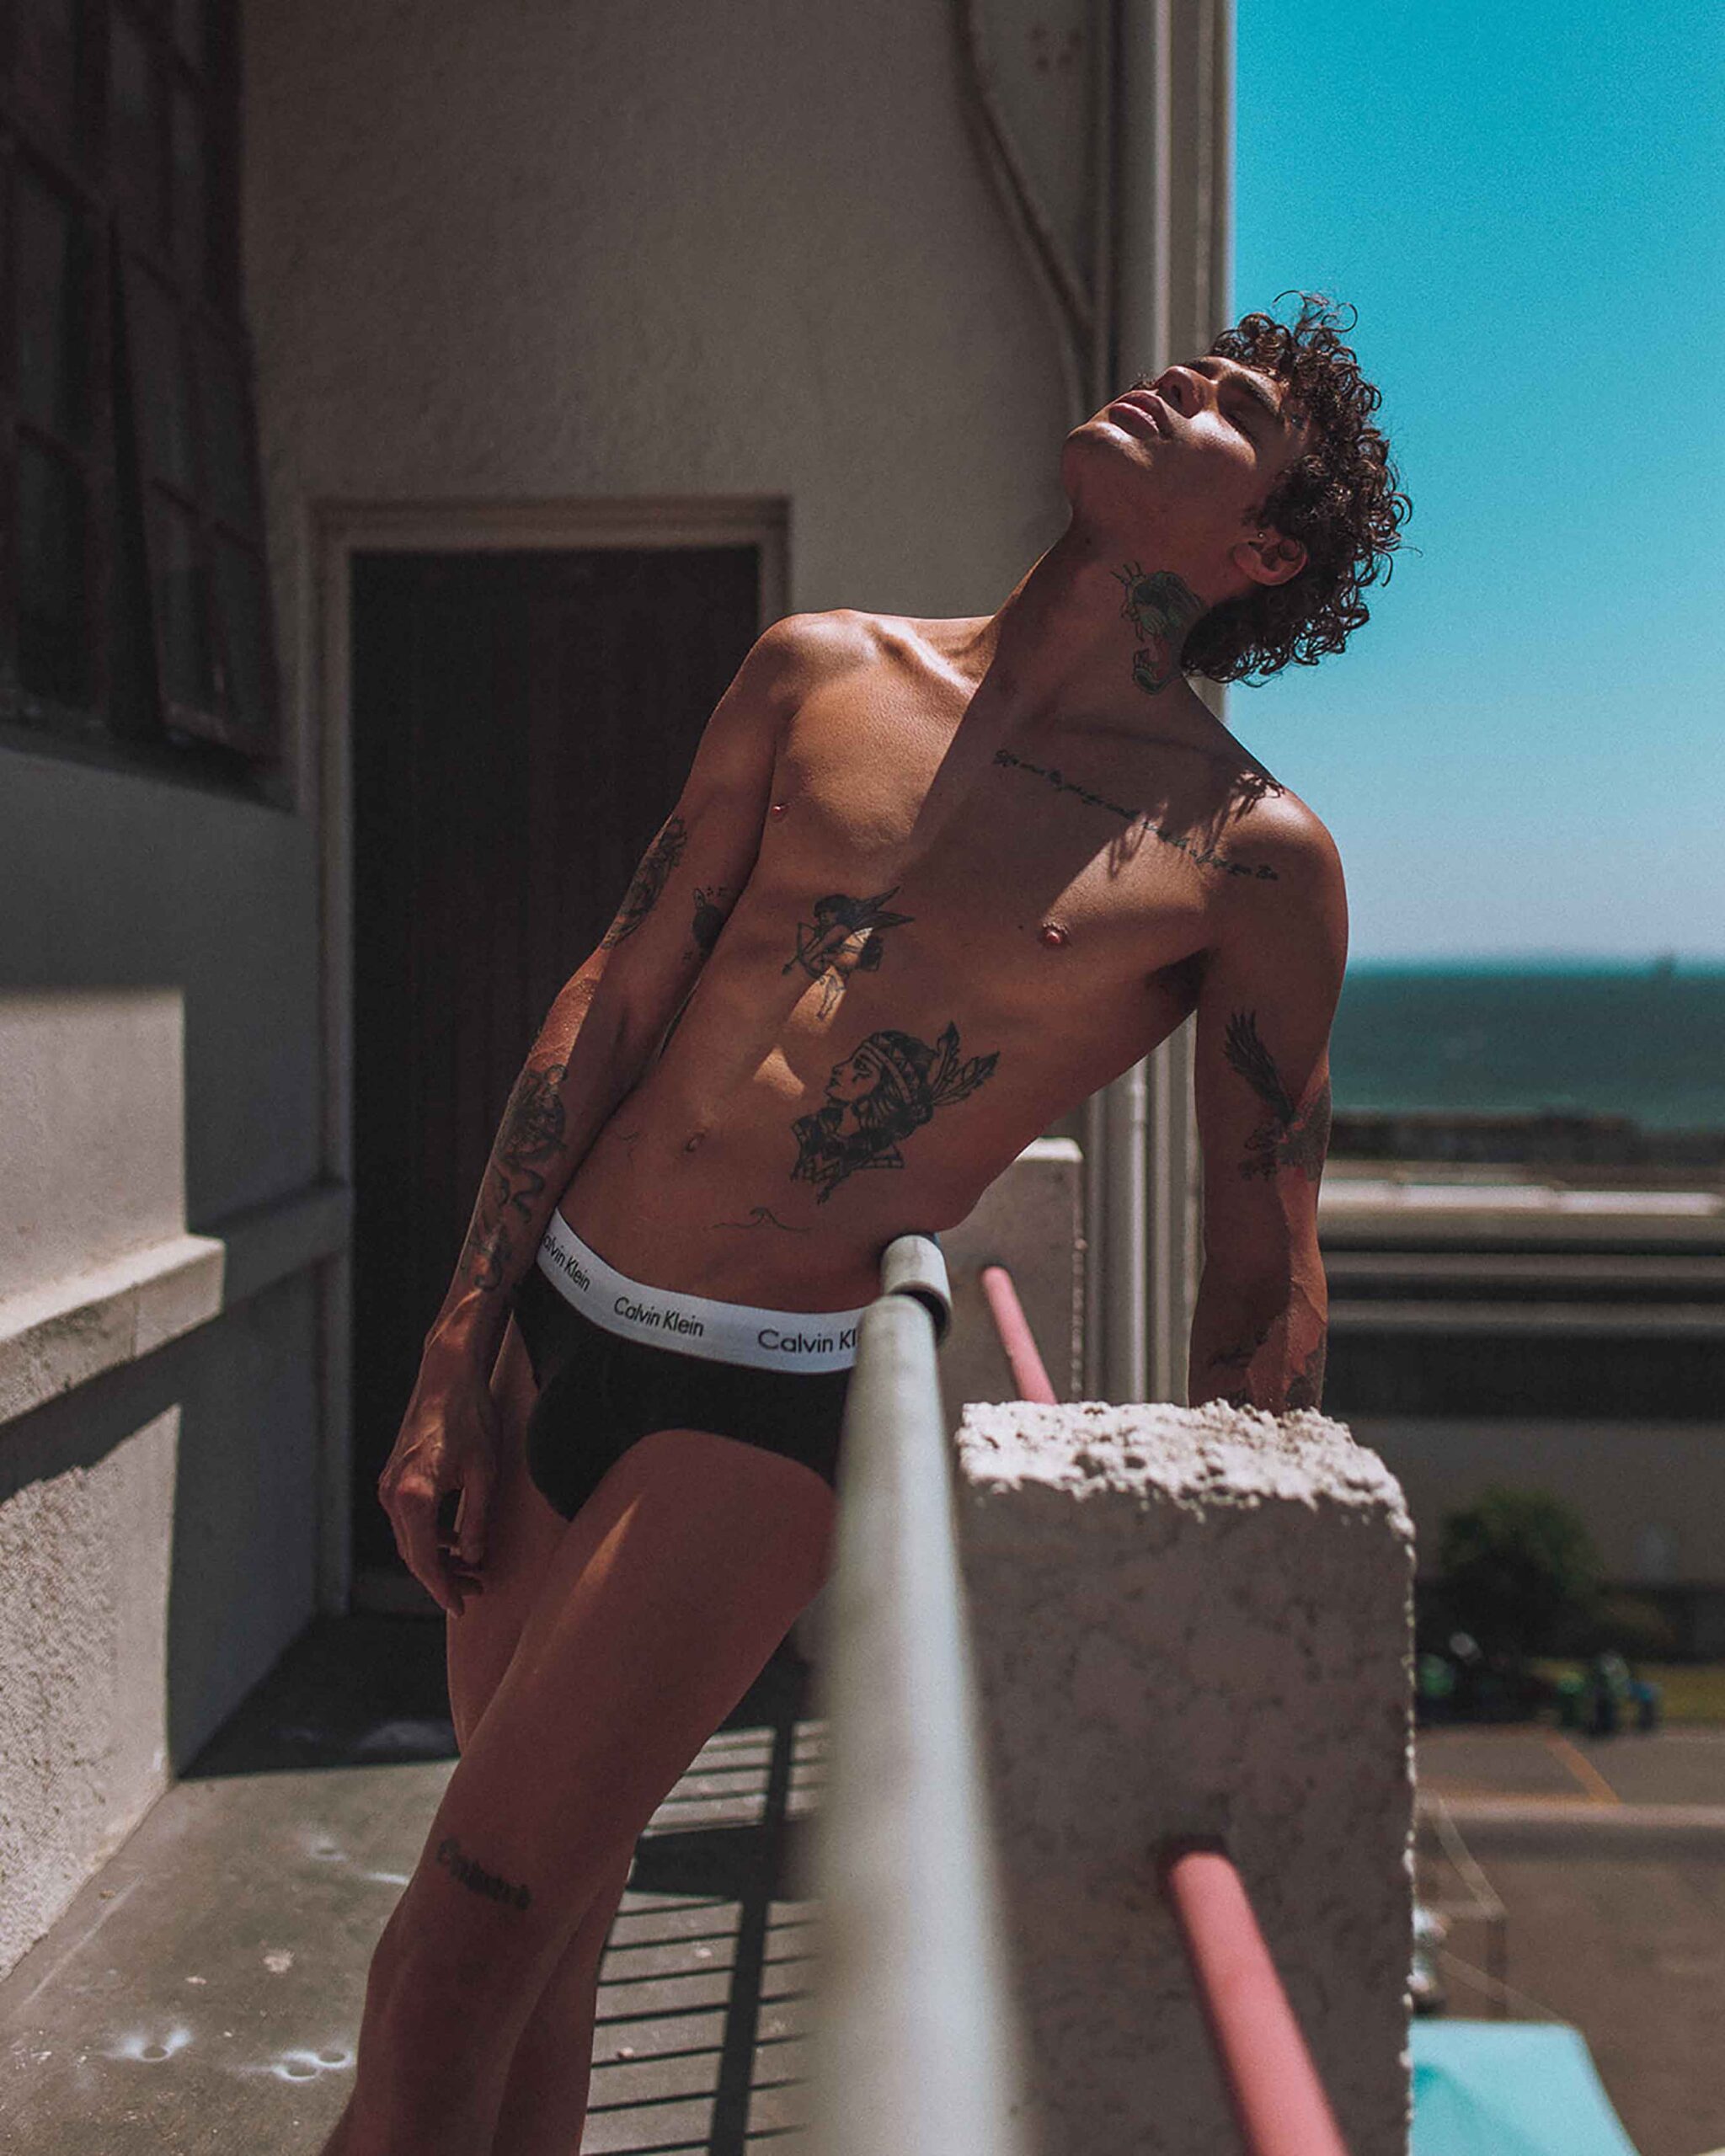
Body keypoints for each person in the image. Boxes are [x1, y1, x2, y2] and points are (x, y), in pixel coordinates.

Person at [322, 291, 1408, 2154]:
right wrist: (454, 1347)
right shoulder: (820, 671)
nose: (1186, 380)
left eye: (1240, 408)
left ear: (1262, 554)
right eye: (1201, 363)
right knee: (545, 1948)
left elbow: (1261, 1255)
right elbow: (617, 997)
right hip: (552, 1326)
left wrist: (1208, 1612)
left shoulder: (1243, 857)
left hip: (753, 1406)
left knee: (447, 1965)